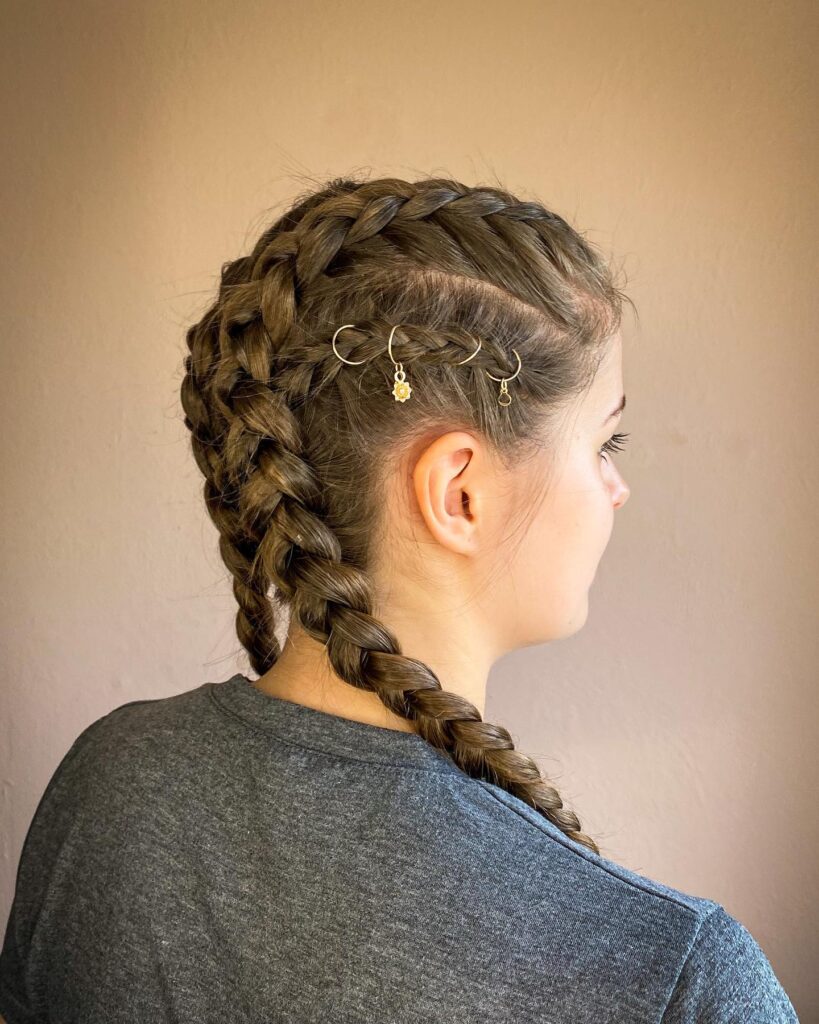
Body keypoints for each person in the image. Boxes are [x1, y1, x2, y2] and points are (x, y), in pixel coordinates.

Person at [0, 175, 798, 1022]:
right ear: (460, 492)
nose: (617, 489)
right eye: (606, 441)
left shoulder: (113, 779)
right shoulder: (673, 978)